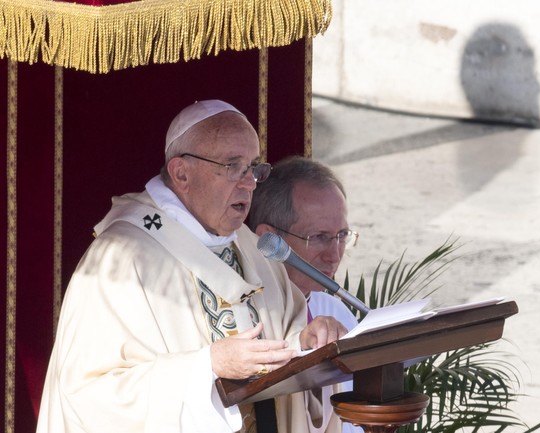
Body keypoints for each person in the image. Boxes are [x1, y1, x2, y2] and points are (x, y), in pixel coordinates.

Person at [35, 100, 347, 433]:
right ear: (182, 173)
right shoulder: (122, 256)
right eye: (232, 167)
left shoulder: (251, 249)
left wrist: (308, 344)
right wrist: (207, 366)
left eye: (253, 168)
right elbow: (88, 397)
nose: (250, 184)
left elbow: (286, 348)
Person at [249, 156, 363, 433]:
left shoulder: (337, 312)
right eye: (319, 237)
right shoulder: (245, 318)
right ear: (268, 240)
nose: (334, 255)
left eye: (342, 235)